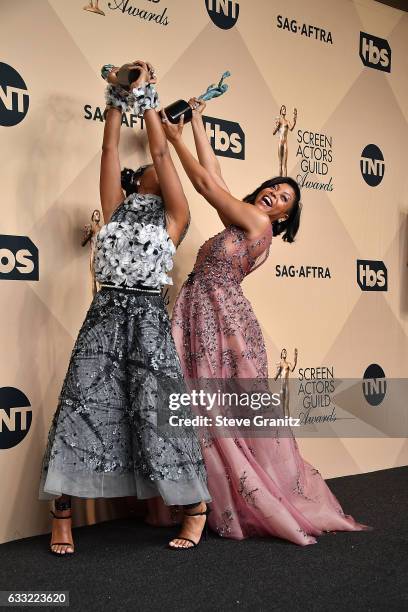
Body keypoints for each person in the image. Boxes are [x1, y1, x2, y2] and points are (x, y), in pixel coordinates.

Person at [157, 98, 368, 543]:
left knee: (211, 408)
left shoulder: (256, 221)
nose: (275, 193)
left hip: (218, 317)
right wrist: (198, 122)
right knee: (212, 408)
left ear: (284, 215)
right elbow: (214, 175)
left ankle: (207, 507)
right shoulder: (247, 221)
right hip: (212, 311)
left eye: (285, 197)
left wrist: (174, 139)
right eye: (273, 187)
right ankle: (200, 500)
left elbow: (202, 184)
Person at [39, 63, 211, 554]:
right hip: (105, 318)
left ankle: (194, 509)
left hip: (149, 321)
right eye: (153, 168)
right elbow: (110, 148)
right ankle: (63, 516)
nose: (156, 166)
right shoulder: (115, 206)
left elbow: (159, 147)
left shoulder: (176, 217)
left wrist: (149, 95)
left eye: (162, 167)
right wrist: (117, 94)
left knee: (159, 414)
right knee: (82, 407)